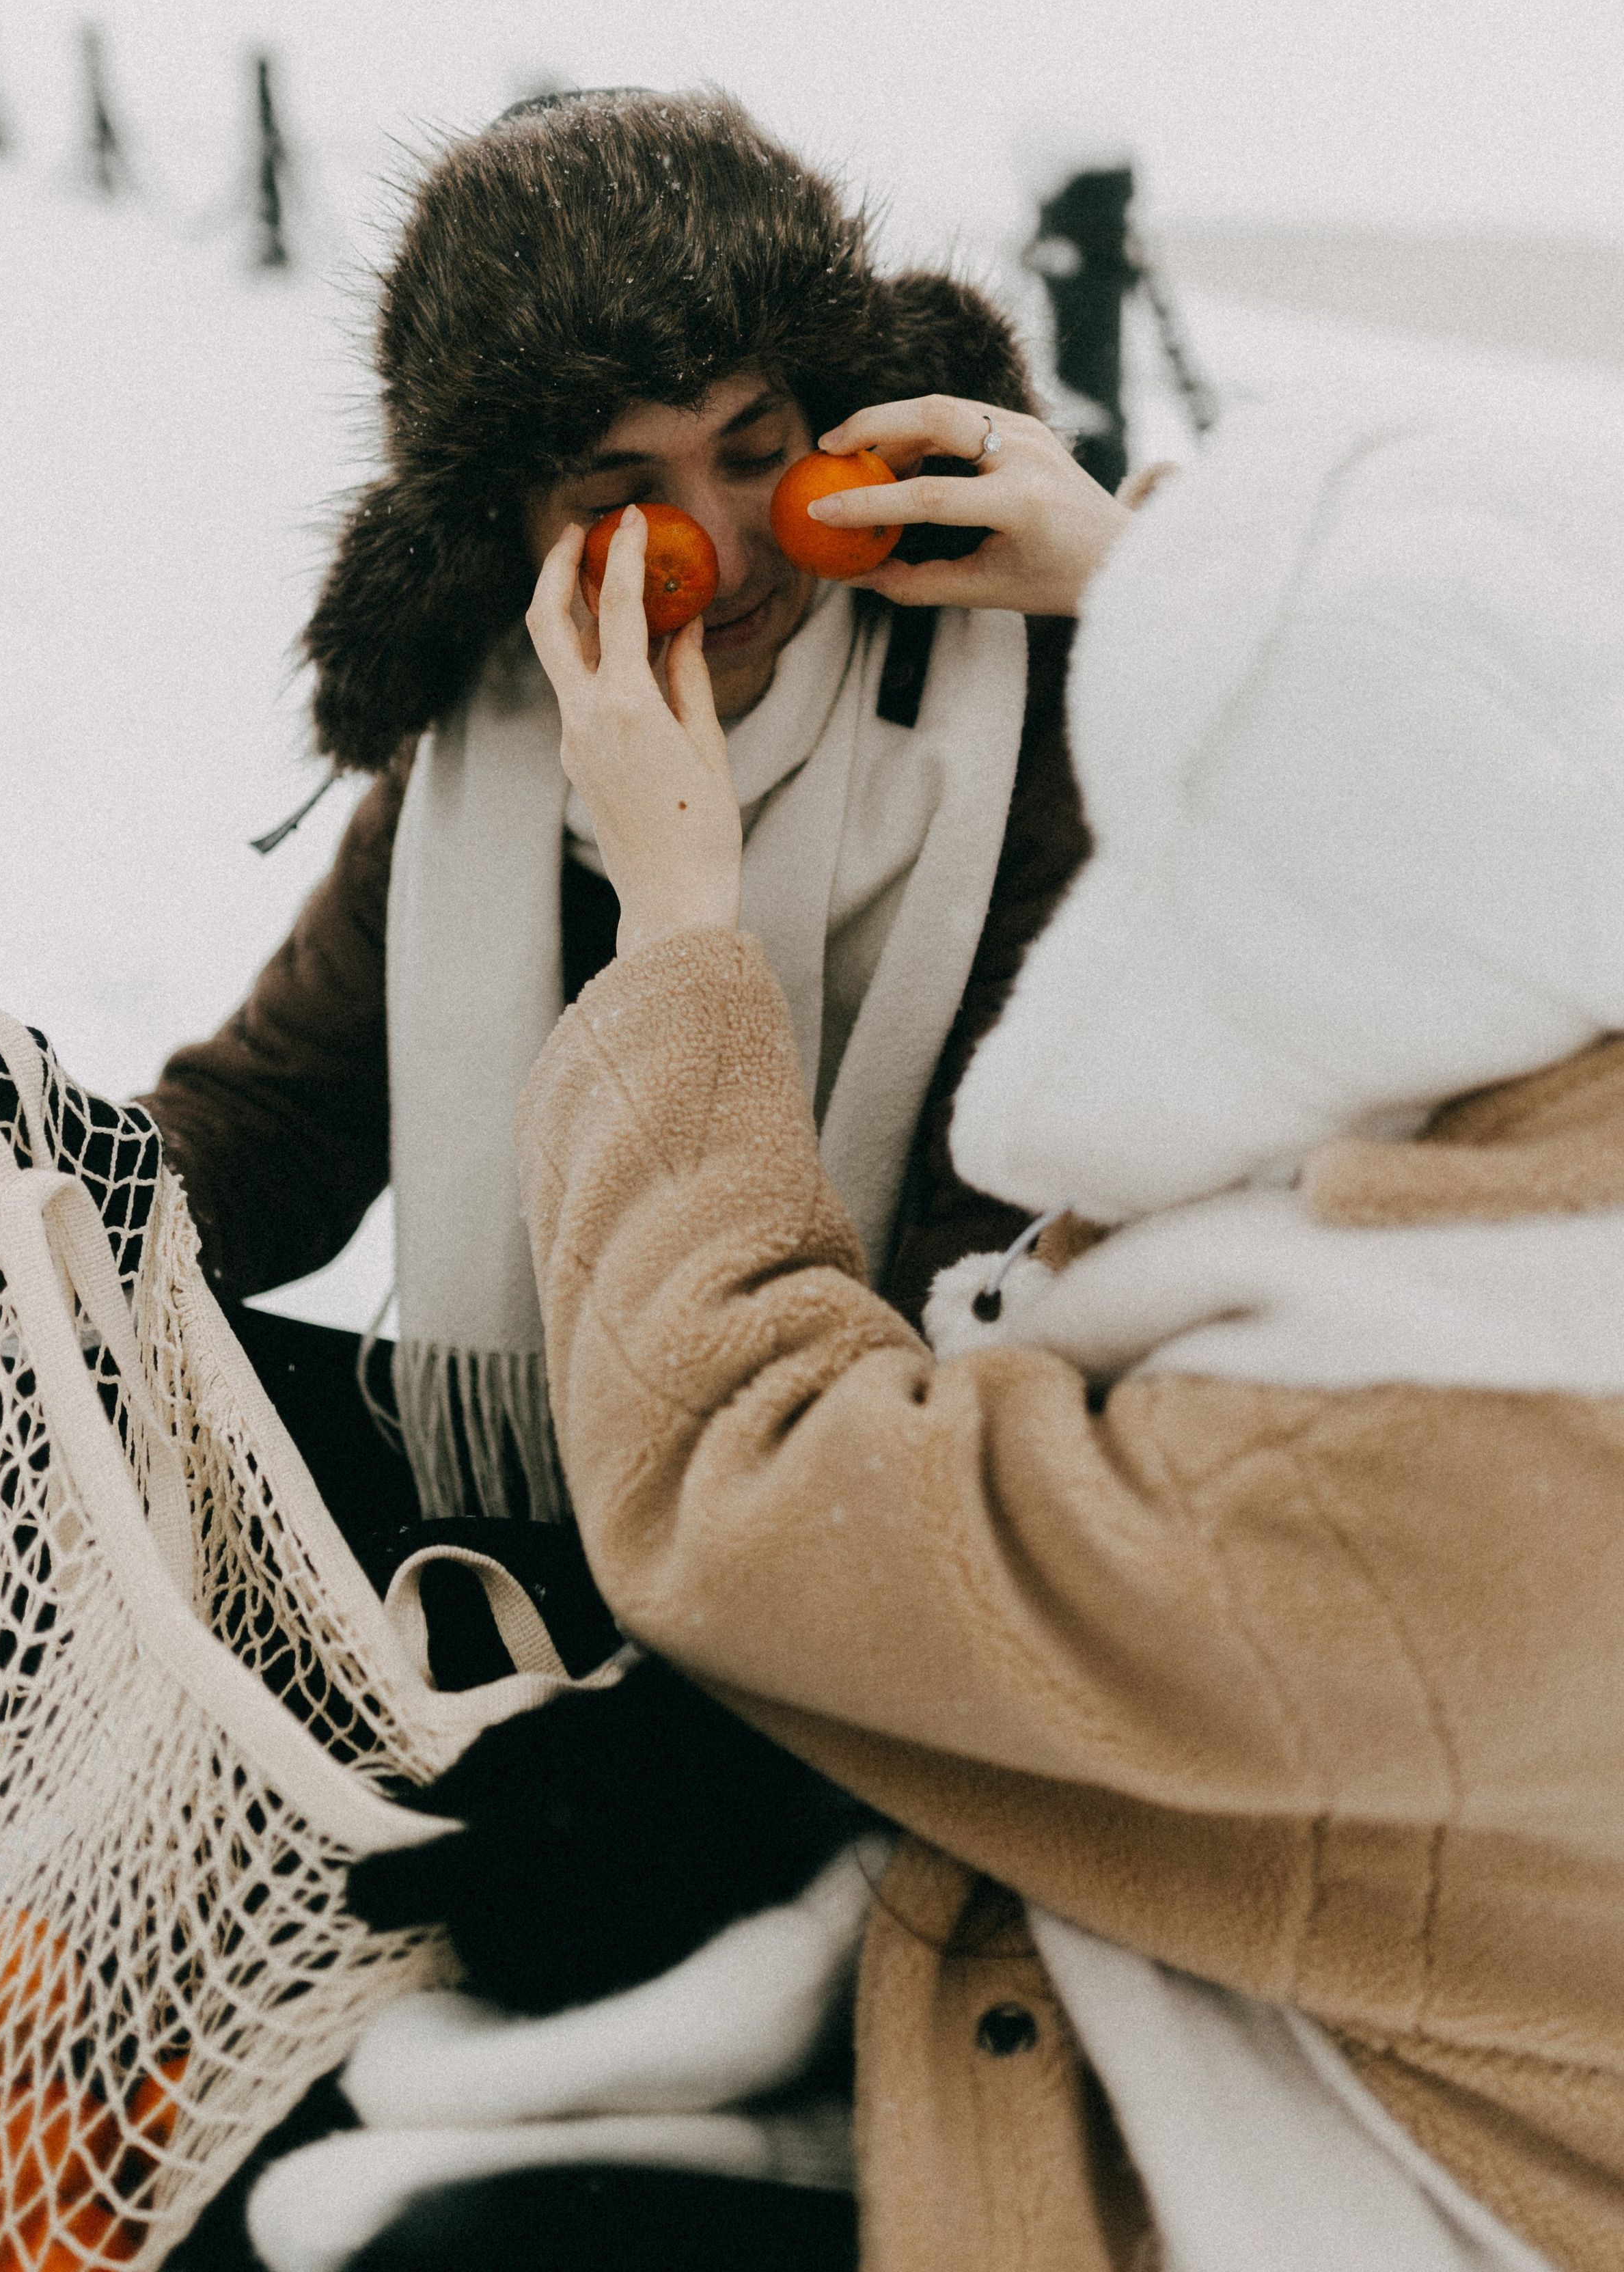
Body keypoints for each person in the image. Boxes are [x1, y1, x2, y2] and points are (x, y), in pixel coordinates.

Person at [514, 387, 1624, 2268]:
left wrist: (681, 923)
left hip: (1403, 2145)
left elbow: (741, 1488)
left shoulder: (1391, 1454)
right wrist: (1191, 598)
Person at [139, 85, 1093, 1531]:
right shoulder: (501, 733)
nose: (716, 544)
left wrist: (676, 906)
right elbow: (290, 1106)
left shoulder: (1007, 711)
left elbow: (986, 1277)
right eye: (618, 490)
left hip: (888, 1519)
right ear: (508, 531)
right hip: (607, 1499)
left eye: (755, 447)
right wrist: (70, 1207)